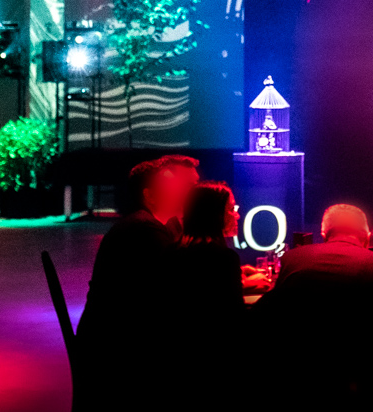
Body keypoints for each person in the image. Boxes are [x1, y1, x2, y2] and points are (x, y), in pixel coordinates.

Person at [74, 154, 199, 410]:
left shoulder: (155, 226)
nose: (184, 193)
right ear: (150, 196)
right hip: (119, 353)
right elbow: (179, 290)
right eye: (175, 187)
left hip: (114, 341)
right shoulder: (145, 231)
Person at [256, 204, 373, 408]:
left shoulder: (293, 259)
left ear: (323, 234)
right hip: (365, 379)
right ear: (367, 236)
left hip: (296, 376)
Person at [170, 181, 246, 408]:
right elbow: (235, 321)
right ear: (215, 214)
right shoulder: (222, 258)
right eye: (231, 209)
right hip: (214, 365)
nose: (237, 215)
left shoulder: (175, 250)